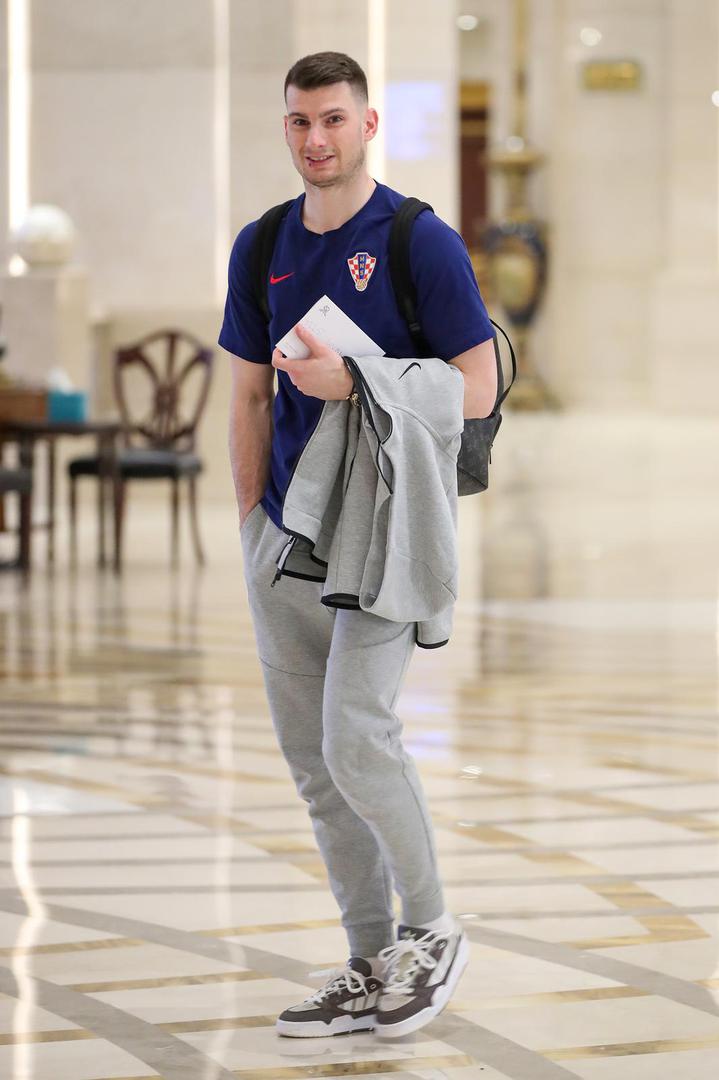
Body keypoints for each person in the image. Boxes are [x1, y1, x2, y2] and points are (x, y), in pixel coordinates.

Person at [220, 51, 497, 1039]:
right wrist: (250, 523)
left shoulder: (419, 241)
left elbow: (477, 388)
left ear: (367, 125)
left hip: (385, 529)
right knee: (314, 761)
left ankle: (431, 929)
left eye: (333, 119)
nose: (315, 139)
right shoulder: (261, 245)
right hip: (285, 534)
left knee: (356, 736)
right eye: (299, 121)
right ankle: (370, 957)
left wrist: (360, 381)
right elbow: (248, 395)